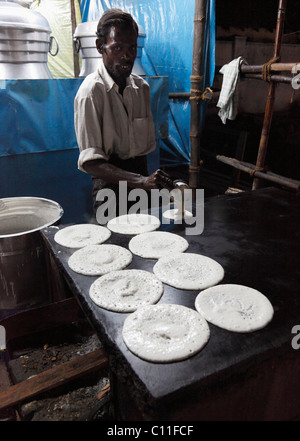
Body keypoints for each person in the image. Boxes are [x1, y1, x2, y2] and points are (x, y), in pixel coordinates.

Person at [74, 8, 174, 218]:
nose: (127, 56)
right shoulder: (90, 93)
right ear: (101, 47)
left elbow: (141, 150)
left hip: (140, 182)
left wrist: (150, 182)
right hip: (109, 186)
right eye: (117, 47)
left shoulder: (141, 88)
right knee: (114, 246)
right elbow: (92, 163)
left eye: (132, 48)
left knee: (145, 241)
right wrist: (142, 181)